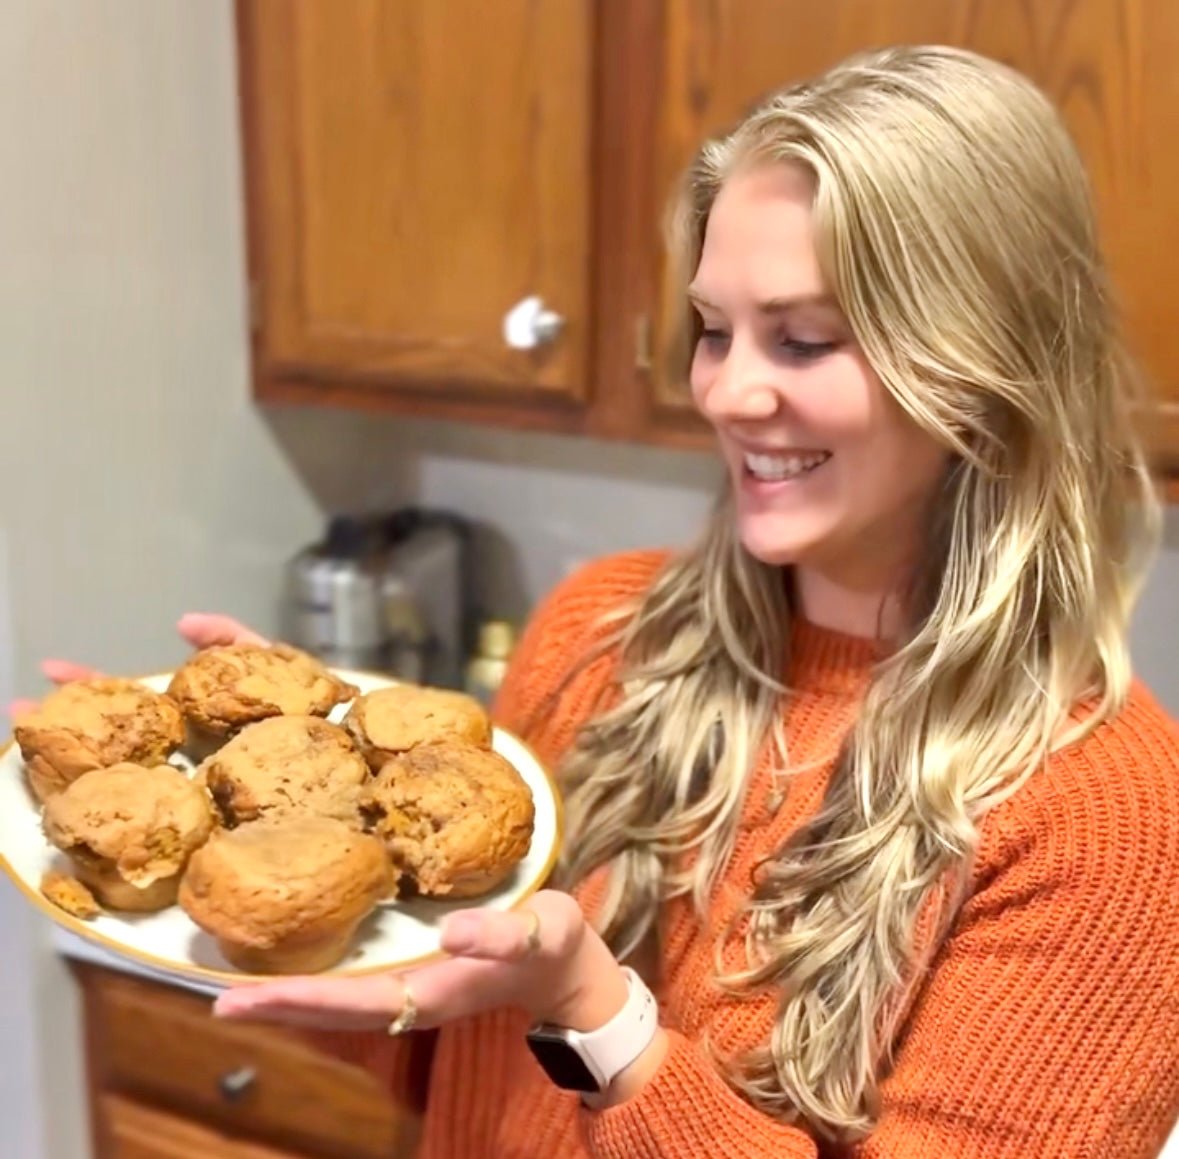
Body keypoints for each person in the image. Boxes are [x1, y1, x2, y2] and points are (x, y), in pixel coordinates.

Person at [18, 45, 1179, 1157]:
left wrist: (600, 1019)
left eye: (805, 340)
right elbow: (448, 1070)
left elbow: (573, 1025)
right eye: (714, 331)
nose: (729, 391)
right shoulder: (603, 633)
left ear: (987, 370)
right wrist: (302, 844)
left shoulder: (1110, 817)